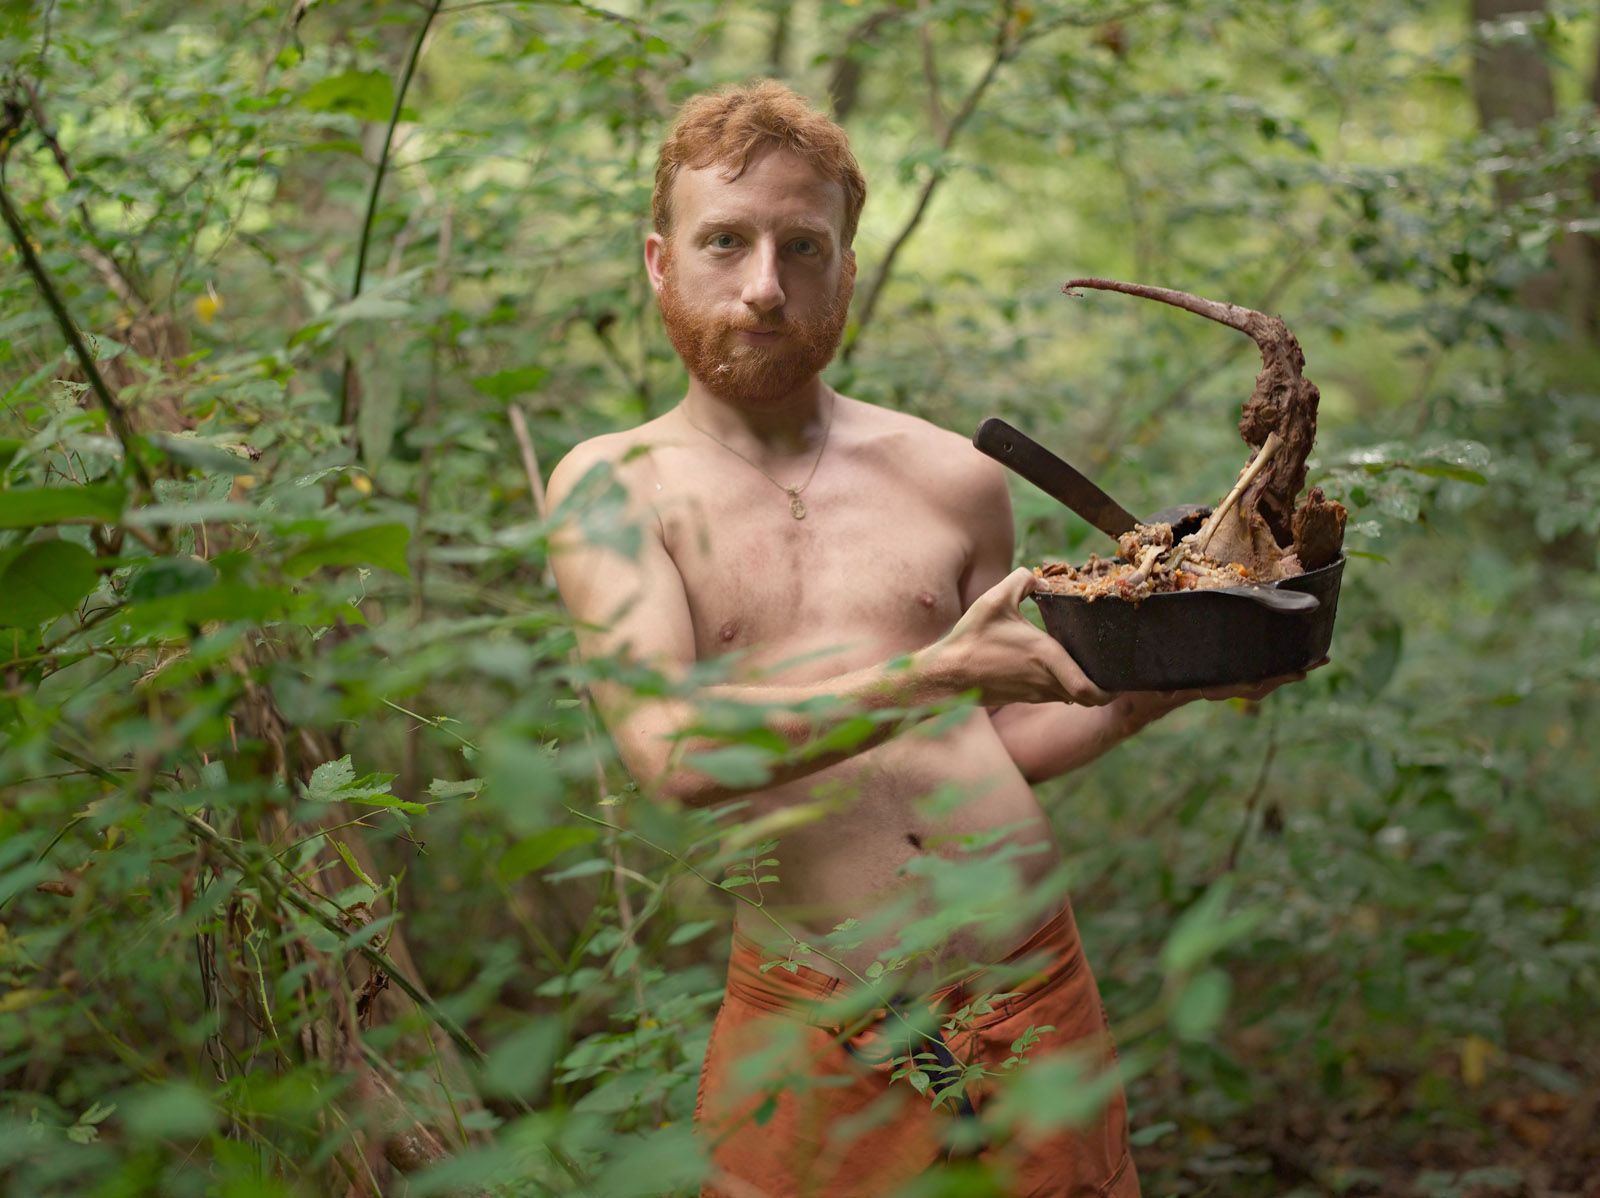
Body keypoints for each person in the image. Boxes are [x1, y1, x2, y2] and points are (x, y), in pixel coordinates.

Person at [546, 79, 1312, 1198]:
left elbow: (989, 737)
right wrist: (935, 670)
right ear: (660, 262)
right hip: (819, 1020)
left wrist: (1172, 682)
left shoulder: (952, 474)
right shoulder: (614, 487)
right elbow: (672, 753)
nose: (764, 287)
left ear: (847, 267)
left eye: (803, 248)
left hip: (1033, 989)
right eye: (725, 242)